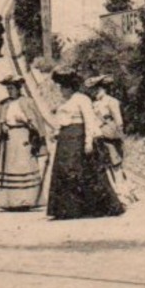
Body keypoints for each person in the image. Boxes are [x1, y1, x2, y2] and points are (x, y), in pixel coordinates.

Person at [47, 70, 125, 220]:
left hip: (78, 138)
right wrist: (56, 132)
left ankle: (83, 208)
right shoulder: (66, 102)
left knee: (77, 172)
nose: (60, 90)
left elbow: (89, 121)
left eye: (62, 87)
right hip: (65, 141)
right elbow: (63, 121)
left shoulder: (82, 99)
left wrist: (88, 142)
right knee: (63, 171)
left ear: (69, 86)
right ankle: (66, 210)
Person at [0, 75, 49, 211]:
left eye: (12, 88)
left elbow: (37, 123)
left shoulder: (28, 102)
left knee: (24, 166)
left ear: (18, 89)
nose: (9, 91)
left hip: (24, 138)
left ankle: (26, 201)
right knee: (8, 167)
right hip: (9, 140)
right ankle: (9, 201)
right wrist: (2, 124)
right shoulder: (3, 104)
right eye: (8, 89)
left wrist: (26, 121)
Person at [88, 74, 136, 204]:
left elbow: (119, 121)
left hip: (110, 136)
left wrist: (116, 135)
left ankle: (123, 192)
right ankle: (116, 192)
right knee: (105, 165)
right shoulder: (94, 103)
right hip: (98, 136)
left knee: (116, 165)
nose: (94, 93)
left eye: (97, 90)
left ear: (103, 88)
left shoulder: (111, 101)